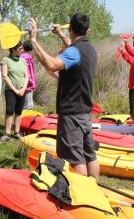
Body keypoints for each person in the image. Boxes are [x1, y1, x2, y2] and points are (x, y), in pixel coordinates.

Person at [28, 14, 99, 179]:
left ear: (71, 29)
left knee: (75, 158)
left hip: (72, 114)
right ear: (88, 30)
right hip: (85, 112)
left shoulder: (74, 51)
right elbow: (73, 47)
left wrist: (34, 41)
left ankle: (82, 195)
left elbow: (52, 65)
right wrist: (60, 34)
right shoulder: (89, 48)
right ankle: (94, 189)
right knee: (90, 155)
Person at [0, 41, 28, 142]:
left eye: (22, 48)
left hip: (22, 90)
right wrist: (15, 90)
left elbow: (26, 76)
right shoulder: (6, 60)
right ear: (13, 50)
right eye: (20, 49)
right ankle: (7, 133)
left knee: (19, 111)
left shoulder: (23, 61)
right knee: (10, 111)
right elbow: (4, 76)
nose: (22, 50)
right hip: (11, 90)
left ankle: (16, 132)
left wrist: (23, 88)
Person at [21, 40, 37, 110]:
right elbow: (28, 71)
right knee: (28, 106)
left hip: (26, 83)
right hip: (27, 84)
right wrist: (31, 82)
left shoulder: (22, 56)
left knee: (28, 104)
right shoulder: (27, 57)